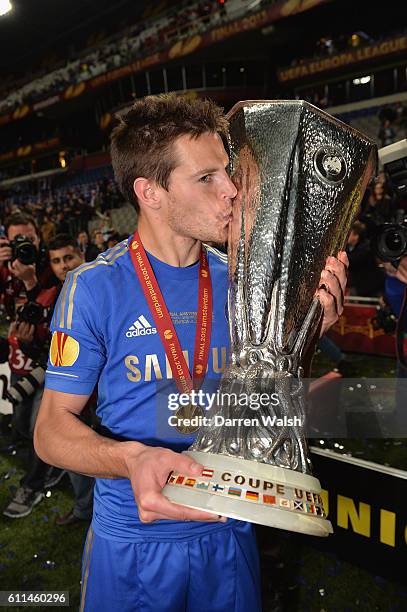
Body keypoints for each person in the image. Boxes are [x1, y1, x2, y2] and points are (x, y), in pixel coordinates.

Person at [34, 94, 348, 612]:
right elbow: (50, 431)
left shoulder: (247, 281)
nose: (232, 191)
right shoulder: (95, 288)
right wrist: (130, 457)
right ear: (150, 192)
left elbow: (264, 409)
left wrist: (305, 339)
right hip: (137, 538)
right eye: (207, 178)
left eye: (228, 172)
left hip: (229, 529)